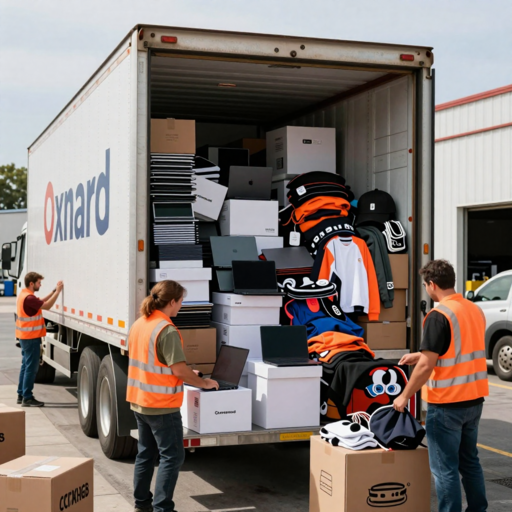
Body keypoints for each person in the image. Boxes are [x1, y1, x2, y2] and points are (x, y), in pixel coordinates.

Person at [393, 259, 489, 512]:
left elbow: (427, 367)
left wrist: (404, 395)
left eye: (425, 285)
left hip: (447, 403)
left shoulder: (439, 315)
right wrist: (421, 354)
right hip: (474, 400)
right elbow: (460, 346)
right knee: (470, 462)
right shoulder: (473, 309)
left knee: (444, 469)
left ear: (432, 285)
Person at [127, 280, 219, 512]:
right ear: (172, 302)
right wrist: (203, 382)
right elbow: (178, 370)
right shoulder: (166, 330)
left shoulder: (140, 323)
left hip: (140, 400)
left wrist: (186, 373)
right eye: (181, 301)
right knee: (172, 457)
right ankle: (163, 508)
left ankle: (142, 504)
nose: (181, 306)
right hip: (162, 406)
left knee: (146, 454)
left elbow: (153, 362)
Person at [16, 272, 63, 407]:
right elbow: (46, 305)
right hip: (31, 338)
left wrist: (53, 291)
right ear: (31, 283)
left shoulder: (24, 295)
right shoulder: (29, 298)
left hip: (25, 337)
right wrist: (58, 292)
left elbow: (41, 301)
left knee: (25, 366)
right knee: (31, 369)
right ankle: (27, 398)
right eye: (38, 283)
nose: (40, 285)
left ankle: (21, 394)